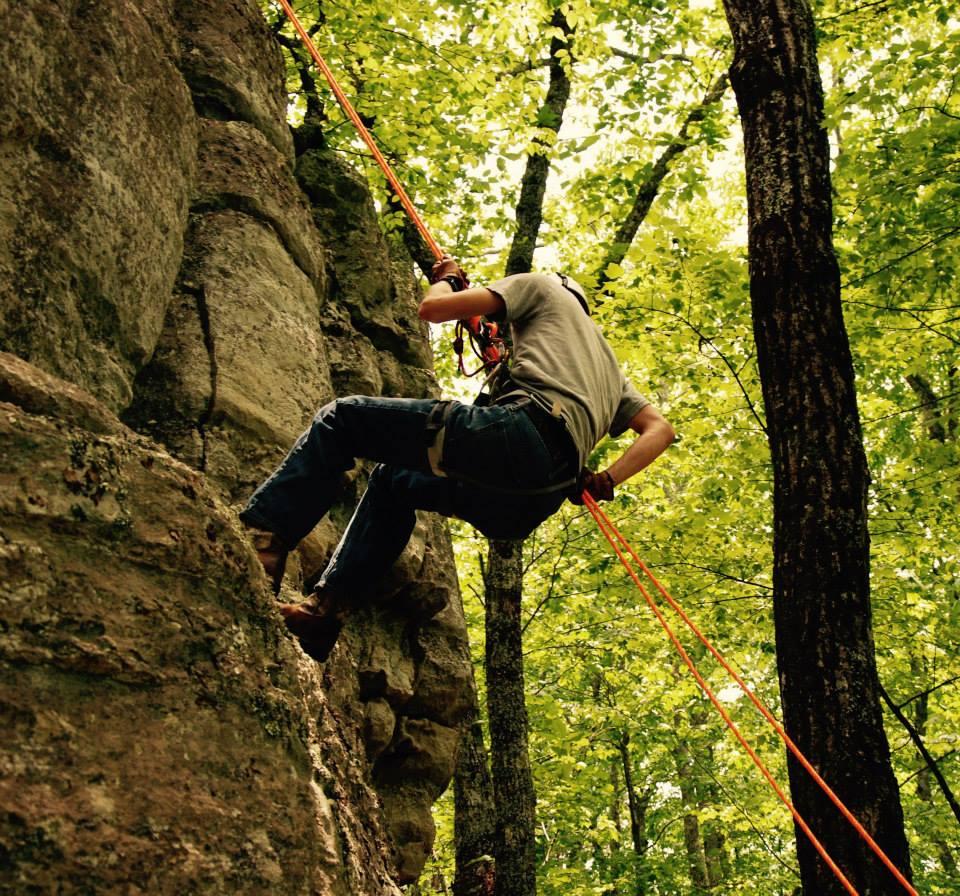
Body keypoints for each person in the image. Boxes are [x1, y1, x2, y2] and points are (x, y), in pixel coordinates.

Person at [239, 257, 675, 660]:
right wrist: (607, 478)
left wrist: (446, 279)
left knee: (343, 419)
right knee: (394, 482)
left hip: (518, 434)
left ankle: (264, 542)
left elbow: (433, 311)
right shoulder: (609, 368)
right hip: (536, 498)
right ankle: (323, 614)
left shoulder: (542, 287)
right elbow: (660, 429)